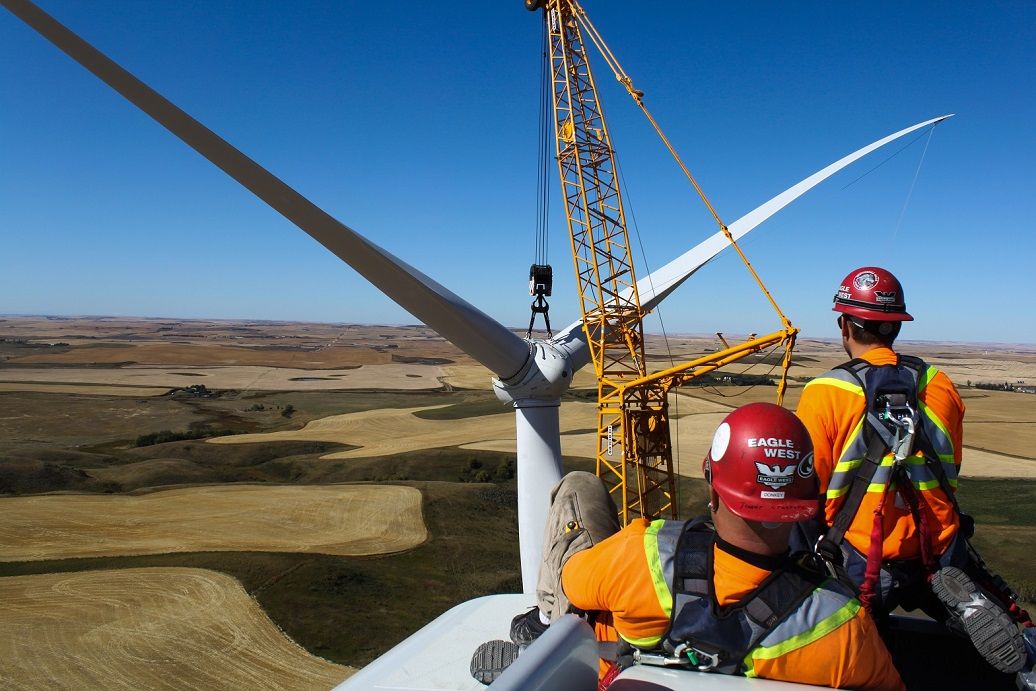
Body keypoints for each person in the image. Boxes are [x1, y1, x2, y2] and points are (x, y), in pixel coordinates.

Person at [501, 403, 904, 690]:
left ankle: (544, 636)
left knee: (580, 487)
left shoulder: (642, 553)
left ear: (714, 491)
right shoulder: (843, 624)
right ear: (803, 502)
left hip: (609, 672)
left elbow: (571, 581)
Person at [795, 266, 1030, 675]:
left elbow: (807, 489)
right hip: (937, 549)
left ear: (844, 324)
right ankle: (971, 619)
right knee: (961, 603)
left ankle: (859, 653)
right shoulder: (941, 385)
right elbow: (949, 467)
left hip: (859, 556)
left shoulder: (825, 392)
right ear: (896, 327)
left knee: (835, 631)